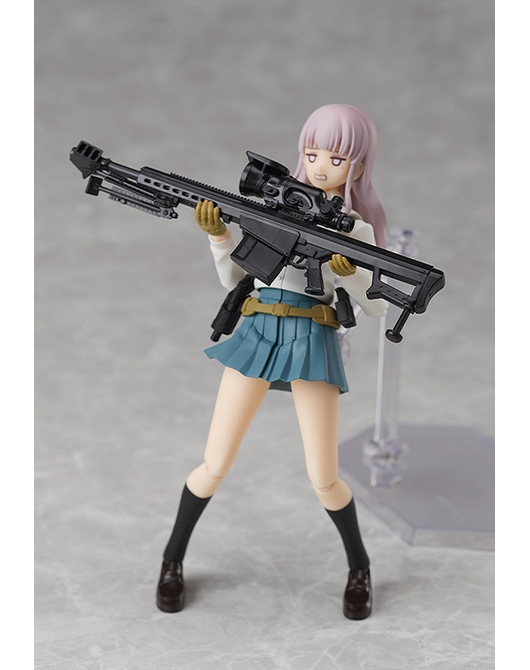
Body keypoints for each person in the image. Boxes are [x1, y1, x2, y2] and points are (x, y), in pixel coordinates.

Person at [156, 104, 387, 620]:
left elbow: (377, 309)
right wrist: (219, 236)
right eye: (312, 154)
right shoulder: (278, 207)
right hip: (257, 331)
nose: (321, 166)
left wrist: (350, 272)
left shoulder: (353, 228)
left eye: (337, 158)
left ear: (358, 166)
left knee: (323, 476)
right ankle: (172, 558)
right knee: (215, 462)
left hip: (313, 337)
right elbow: (235, 279)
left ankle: (360, 566)